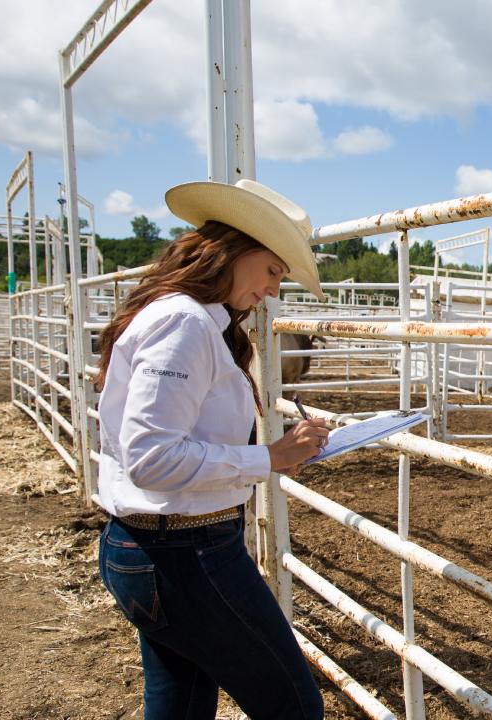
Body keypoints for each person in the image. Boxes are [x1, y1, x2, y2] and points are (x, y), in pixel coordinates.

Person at [94, 178, 330, 719]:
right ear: (235, 248)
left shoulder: (188, 318)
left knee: (179, 704)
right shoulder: (184, 322)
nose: (273, 290)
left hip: (156, 547)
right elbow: (152, 458)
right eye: (272, 270)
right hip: (184, 553)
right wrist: (270, 458)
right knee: (294, 706)